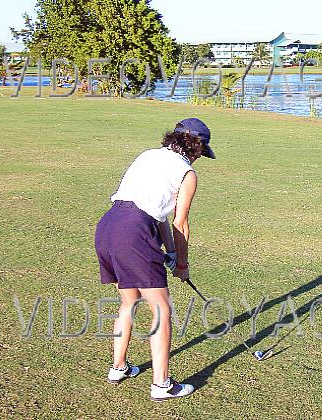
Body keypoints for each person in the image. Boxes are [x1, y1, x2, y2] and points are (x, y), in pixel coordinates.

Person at [94, 118, 215, 401]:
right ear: (196, 148)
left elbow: (157, 213)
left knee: (129, 301)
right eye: (200, 152)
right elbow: (180, 222)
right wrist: (183, 265)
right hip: (134, 232)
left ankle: (119, 367)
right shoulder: (187, 173)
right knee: (161, 309)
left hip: (109, 226)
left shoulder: (148, 155)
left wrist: (171, 254)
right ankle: (162, 385)